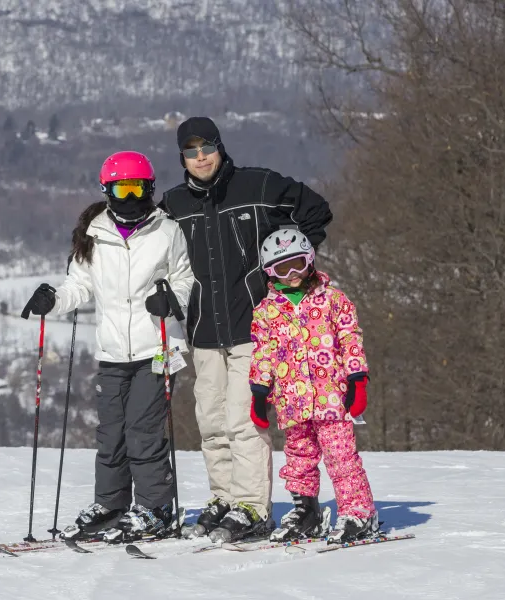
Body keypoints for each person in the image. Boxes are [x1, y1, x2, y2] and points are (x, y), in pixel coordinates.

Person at [159, 116, 334, 543]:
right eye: (191, 151)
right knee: (211, 423)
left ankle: (253, 508)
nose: (201, 158)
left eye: (207, 148)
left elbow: (315, 211)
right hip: (202, 331)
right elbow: (145, 248)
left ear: (220, 147)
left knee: (243, 421)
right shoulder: (174, 204)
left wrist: (290, 269)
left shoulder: (258, 186)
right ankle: (225, 499)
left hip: (253, 328)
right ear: (182, 156)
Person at [23, 150, 194, 543]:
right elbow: (79, 284)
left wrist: (171, 298)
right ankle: (112, 504)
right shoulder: (93, 233)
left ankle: (154, 508)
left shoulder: (167, 232)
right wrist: (54, 300)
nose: (131, 197)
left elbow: (186, 279)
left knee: (142, 431)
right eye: (123, 188)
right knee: (111, 433)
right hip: (112, 352)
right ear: (108, 190)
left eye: (138, 188)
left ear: (150, 189)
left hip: (157, 348)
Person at [248, 228, 378, 544]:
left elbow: (350, 339)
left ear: (310, 261)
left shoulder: (334, 300)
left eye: (298, 265)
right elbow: (262, 352)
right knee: (299, 459)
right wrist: (259, 390)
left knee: (341, 457)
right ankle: (306, 512)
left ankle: (358, 512)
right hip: (292, 402)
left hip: (332, 398)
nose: (291, 275)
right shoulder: (265, 311)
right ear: (269, 271)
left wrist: (356, 380)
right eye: (282, 269)